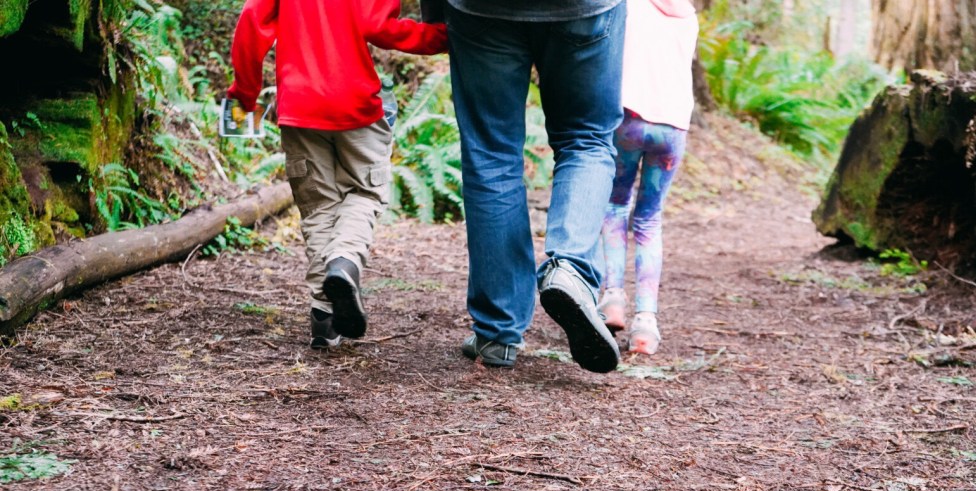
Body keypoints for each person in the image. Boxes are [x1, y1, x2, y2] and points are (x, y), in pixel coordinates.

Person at [227, 0, 447, 348]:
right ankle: (344, 262)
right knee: (366, 192)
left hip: (299, 106)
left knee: (319, 208)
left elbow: (252, 23)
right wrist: (441, 37)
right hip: (355, 102)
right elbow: (379, 26)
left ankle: (324, 318)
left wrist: (244, 97)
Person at [447, 0, 626, 373]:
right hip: (585, 9)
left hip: (479, 12)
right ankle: (571, 267)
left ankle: (497, 331)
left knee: (491, 154)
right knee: (586, 139)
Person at [598, 0, 698, 355]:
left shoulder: (629, 5)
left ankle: (611, 299)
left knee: (614, 206)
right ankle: (646, 324)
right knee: (649, 220)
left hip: (629, 120)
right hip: (672, 129)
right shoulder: (688, 14)